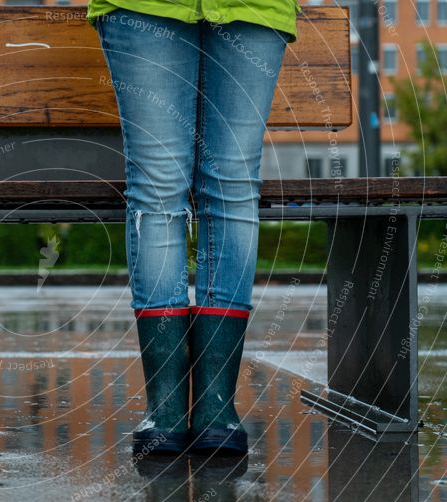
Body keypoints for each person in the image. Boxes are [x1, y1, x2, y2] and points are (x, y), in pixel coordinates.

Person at [87, 1, 300, 456]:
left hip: (255, 7)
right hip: (142, 5)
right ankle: (164, 405)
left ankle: (214, 404)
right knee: (159, 188)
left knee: (234, 186)